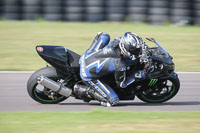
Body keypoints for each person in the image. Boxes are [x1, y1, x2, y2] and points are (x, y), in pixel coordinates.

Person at [75, 32, 147, 107]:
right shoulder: (119, 65)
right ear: (126, 49)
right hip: (88, 73)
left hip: (88, 54)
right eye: (135, 50)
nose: (138, 52)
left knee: (105, 35)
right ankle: (84, 91)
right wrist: (136, 75)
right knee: (113, 101)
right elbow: (122, 84)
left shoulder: (119, 40)